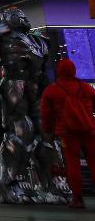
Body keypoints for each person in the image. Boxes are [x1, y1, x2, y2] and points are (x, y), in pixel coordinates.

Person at [41, 58, 95, 209]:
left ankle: (78, 198)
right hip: (90, 131)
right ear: (74, 70)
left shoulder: (51, 90)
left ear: (59, 71)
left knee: (73, 164)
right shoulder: (87, 88)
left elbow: (47, 115)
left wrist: (48, 132)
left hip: (68, 133)